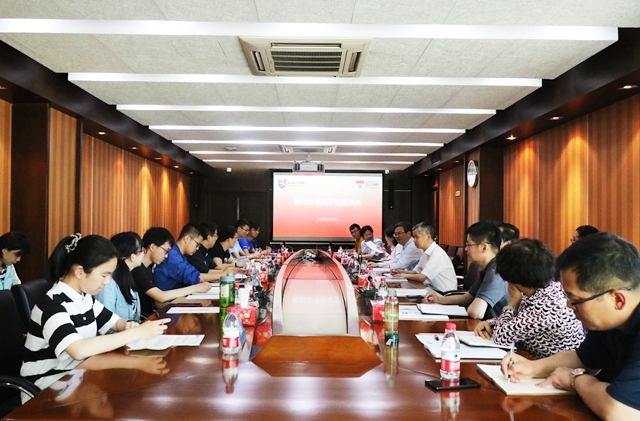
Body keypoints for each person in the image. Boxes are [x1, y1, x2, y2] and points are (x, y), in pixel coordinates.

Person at [502, 233, 640, 419]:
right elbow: (582, 358)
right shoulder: (611, 321)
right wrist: (533, 368)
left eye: (575, 300)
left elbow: (619, 411)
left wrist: (575, 379)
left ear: (617, 300)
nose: (568, 306)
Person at [21, 234, 169, 393]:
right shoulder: (52, 305)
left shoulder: (85, 298)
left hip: (76, 374)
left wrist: (129, 325)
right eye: (104, 275)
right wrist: (137, 333)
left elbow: (116, 322)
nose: (107, 282)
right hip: (47, 386)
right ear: (80, 272)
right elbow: (79, 350)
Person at [474, 239, 584, 359]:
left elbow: (502, 337)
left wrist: (513, 302)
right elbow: (518, 322)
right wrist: (490, 323)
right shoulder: (549, 289)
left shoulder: (547, 307)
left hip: (554, 367)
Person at [424, 221, 509, 319]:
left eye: (469, 245)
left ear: (484, 247)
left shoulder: (496, 272)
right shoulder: (489, 268)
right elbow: (466, 298)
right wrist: (439, 299)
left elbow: (476, 312)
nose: (465, 249)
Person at [131, 227, 210, 319]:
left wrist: (190, 304)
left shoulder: (149, 268)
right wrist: (195, 288)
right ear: (152, 247)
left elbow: (156, 303)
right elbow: (161, 296)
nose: (166, 256)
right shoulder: (137, 270)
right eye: (166, 251)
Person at [154, 223, 226, 291]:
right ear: (187, 238)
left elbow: (194, 273)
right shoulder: (172, 255)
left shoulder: (180, 254)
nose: (197, 248)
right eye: (197, 244)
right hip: (170, 297)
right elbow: (192, 277)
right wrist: (221, 275)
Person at [391, 223, 457, 293]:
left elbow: (422, 277)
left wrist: (403, 275)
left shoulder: (437, 254)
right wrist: (400, 272)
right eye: (414, 237)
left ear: (428, 236)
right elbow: (415, 272)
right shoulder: (426, 252)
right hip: (430, 290)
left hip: (444, 294)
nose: (414, 240)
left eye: (417, 237)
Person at [95, 232, 143, 323]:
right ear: (132, 256)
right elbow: (106, 323)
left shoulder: (128, 277)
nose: (143, 253)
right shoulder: (108, 284)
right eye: (141, 250)